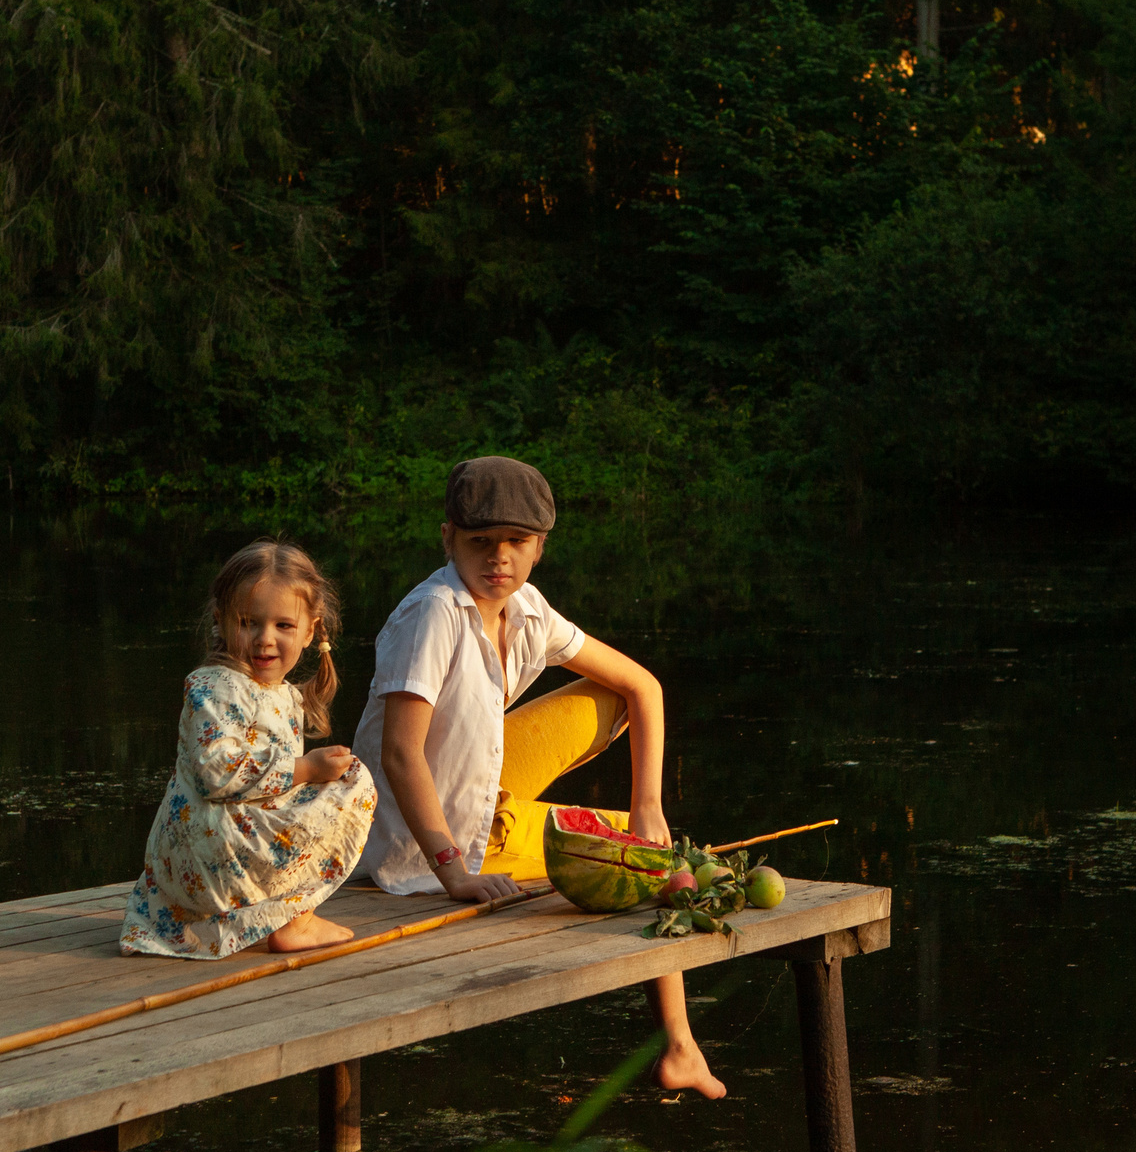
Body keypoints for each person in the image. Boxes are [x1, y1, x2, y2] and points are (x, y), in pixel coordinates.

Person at [351, 456, 726, 1099]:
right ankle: (680, 1047)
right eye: (480, 541)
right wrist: (454, 874)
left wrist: (648, 805)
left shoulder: (527, 609)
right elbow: (400, 756)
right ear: (448, 539)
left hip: (477, 786)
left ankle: (680, 1049)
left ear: (539, 547)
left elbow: (645, 687)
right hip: (414, 835)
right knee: (649, 862)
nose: (499, 557)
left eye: (517, 542)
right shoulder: (433, 614)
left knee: (624, 739)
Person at [120, 541, 377, 959]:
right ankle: (295, 920)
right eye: (248, 623)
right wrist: (306, 769)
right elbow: (217, 772)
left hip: (202, 860)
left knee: (340, 778)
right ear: (220, 621)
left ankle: (269, 916)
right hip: (210, 855)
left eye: (283, 625)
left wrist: (309, 771)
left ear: (310, 631)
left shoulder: (280, 693)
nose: (265, 639)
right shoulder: (217, 685)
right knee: (356, 783)